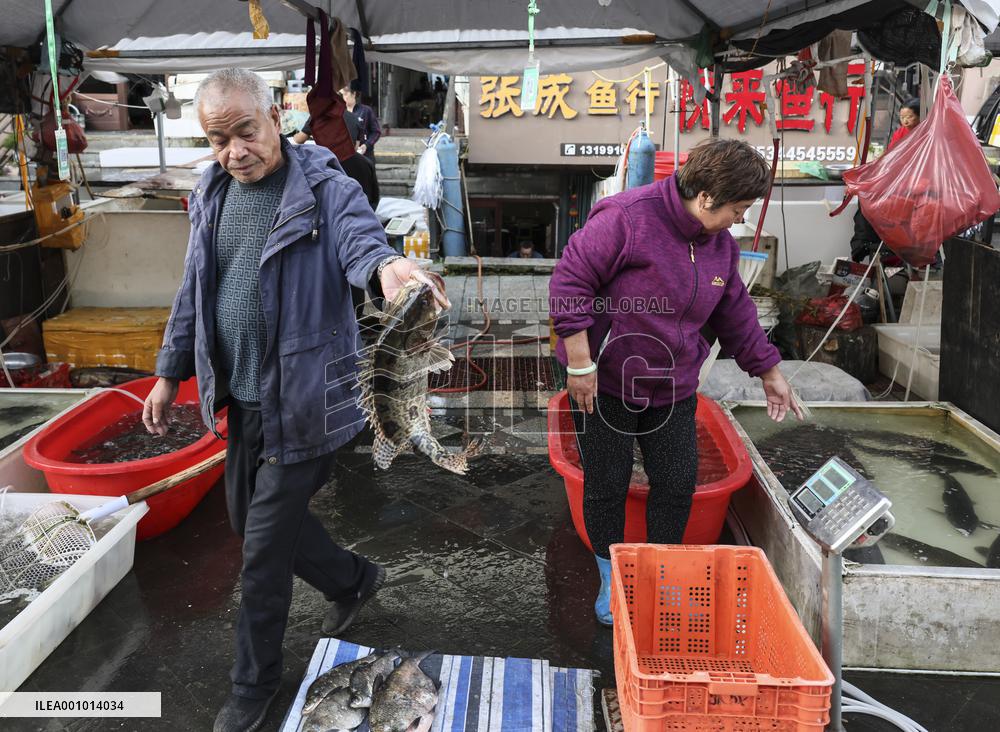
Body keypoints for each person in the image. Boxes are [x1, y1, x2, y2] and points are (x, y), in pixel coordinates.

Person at [142, 68, 448, 732]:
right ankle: (353, 579)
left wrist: (389, 269)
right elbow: (194, 289)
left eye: (245, 133)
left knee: (261, 553)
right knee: (246, 520)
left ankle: (252, 685)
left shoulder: (327, 188)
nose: (234, 152)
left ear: (275, 120)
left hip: (307, 399)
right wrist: (169, 371)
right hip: (245, 399)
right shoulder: (211, 192)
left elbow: (362, 244)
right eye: (218, 140)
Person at [548, 138, 802, 627]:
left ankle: (660, 571)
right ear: (705, 197)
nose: (739, 219)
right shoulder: (626, 218)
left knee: (677, 481)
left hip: (674, 382)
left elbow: (736, 314)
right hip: (606, 380)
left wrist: (770, 373)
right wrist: (579, 365)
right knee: (606, 481)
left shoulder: (720, 246)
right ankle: (611, 576)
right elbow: (569, 283)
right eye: (737, 209)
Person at [850, 98, 922, 278]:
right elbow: (889, 157)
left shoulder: (925, 135)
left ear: (920, 116)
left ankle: (877, 245)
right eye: (902, 117)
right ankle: (864, 243)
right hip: (898, 180)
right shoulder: (900, 133)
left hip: (914, 184)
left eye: (910, 117)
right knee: (865, 197)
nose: (905, 121)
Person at [291, 109, 379, 211]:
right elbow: (373, 201)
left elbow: (299, 139)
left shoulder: (315, 165)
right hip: (362, 215)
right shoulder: (365, 163)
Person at [341, 87, 381, 162]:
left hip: (365, 154)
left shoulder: (365, 111)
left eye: (345, 94)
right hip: (346, 155)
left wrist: (366, 145)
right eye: (342, 95)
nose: (343, 97)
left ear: (353, 94)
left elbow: (376, 132)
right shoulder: (341, 112)